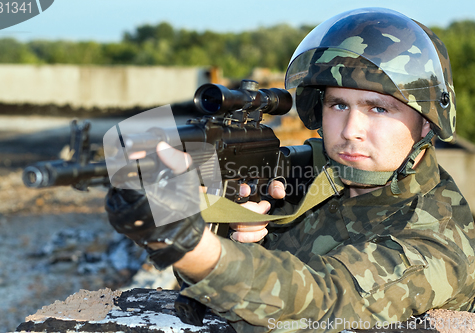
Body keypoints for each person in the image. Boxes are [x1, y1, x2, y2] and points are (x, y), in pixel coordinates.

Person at [105, 7, 475, 332]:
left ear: (427, 122)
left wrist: (191, 245)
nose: (350, 131)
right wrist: (229, 226)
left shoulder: (438, 242)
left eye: (378, 108)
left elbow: (322, 301)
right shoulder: (312, 172)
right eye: (338, 105)